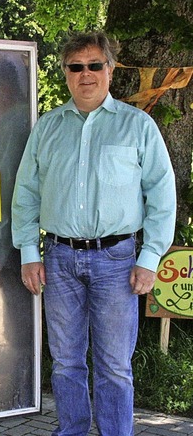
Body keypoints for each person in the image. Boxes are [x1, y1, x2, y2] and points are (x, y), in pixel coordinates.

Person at [11, 31, 176, 435]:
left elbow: (162, 195)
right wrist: (29, 253)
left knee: (115, 365)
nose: (86, 74)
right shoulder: (47, 128)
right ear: (65, 73)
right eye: (76, 66)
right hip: (59, 258)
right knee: (65, 361)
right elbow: (26, 193)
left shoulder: (138, 127)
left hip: (118, 261)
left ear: (110, 69)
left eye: (94, 65)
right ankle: (71, 430)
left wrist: (150, 259)